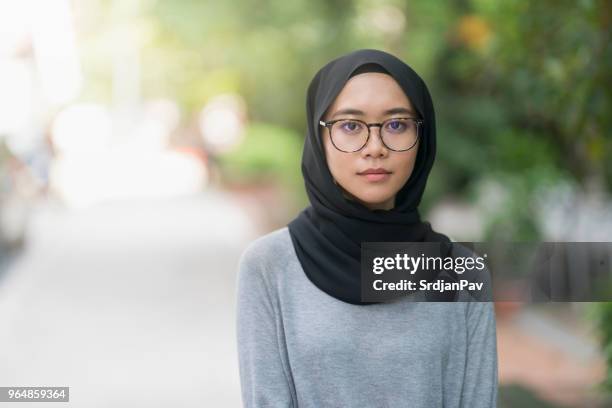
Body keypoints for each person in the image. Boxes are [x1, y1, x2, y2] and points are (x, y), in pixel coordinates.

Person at [235, 49, 498, 407]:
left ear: (423, 139)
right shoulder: (270, 265)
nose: (375, 148)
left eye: (396, 124)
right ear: (319, 138)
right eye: (350, 126)